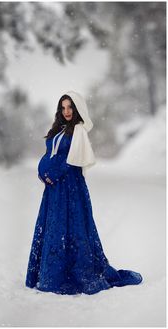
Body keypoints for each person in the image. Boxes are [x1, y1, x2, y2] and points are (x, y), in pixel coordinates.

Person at [25, 90, 143, 295]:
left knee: (71, 226)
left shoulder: (78, 131)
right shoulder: (57, 130)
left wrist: (53, 172)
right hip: (53, 190)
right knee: (54, 225)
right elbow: (48, 155)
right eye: (63, 107)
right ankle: (51, 272)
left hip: (70, 188)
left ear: (77, 108)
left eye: (70, 107)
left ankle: (70, 273)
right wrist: (42, 172)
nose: (67, 111)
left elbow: (73, 160)